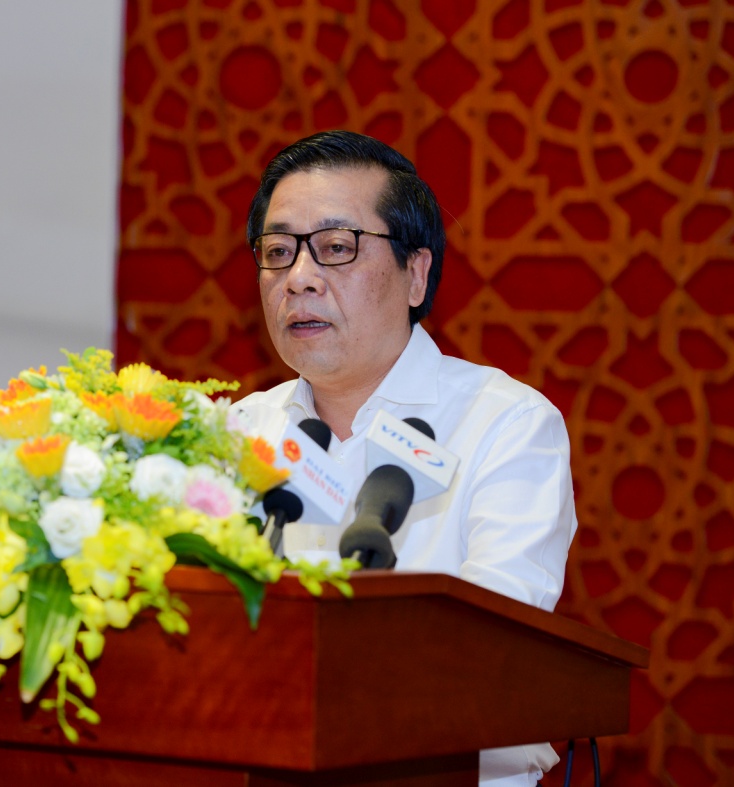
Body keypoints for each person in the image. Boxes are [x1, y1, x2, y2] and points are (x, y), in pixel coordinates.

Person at [234, 130, 576, 786]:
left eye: (336, 247)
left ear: (415, 273)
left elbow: (491, 648)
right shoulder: (239, 431)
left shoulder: (504, 425)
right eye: (277, 252)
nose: (298, 278)